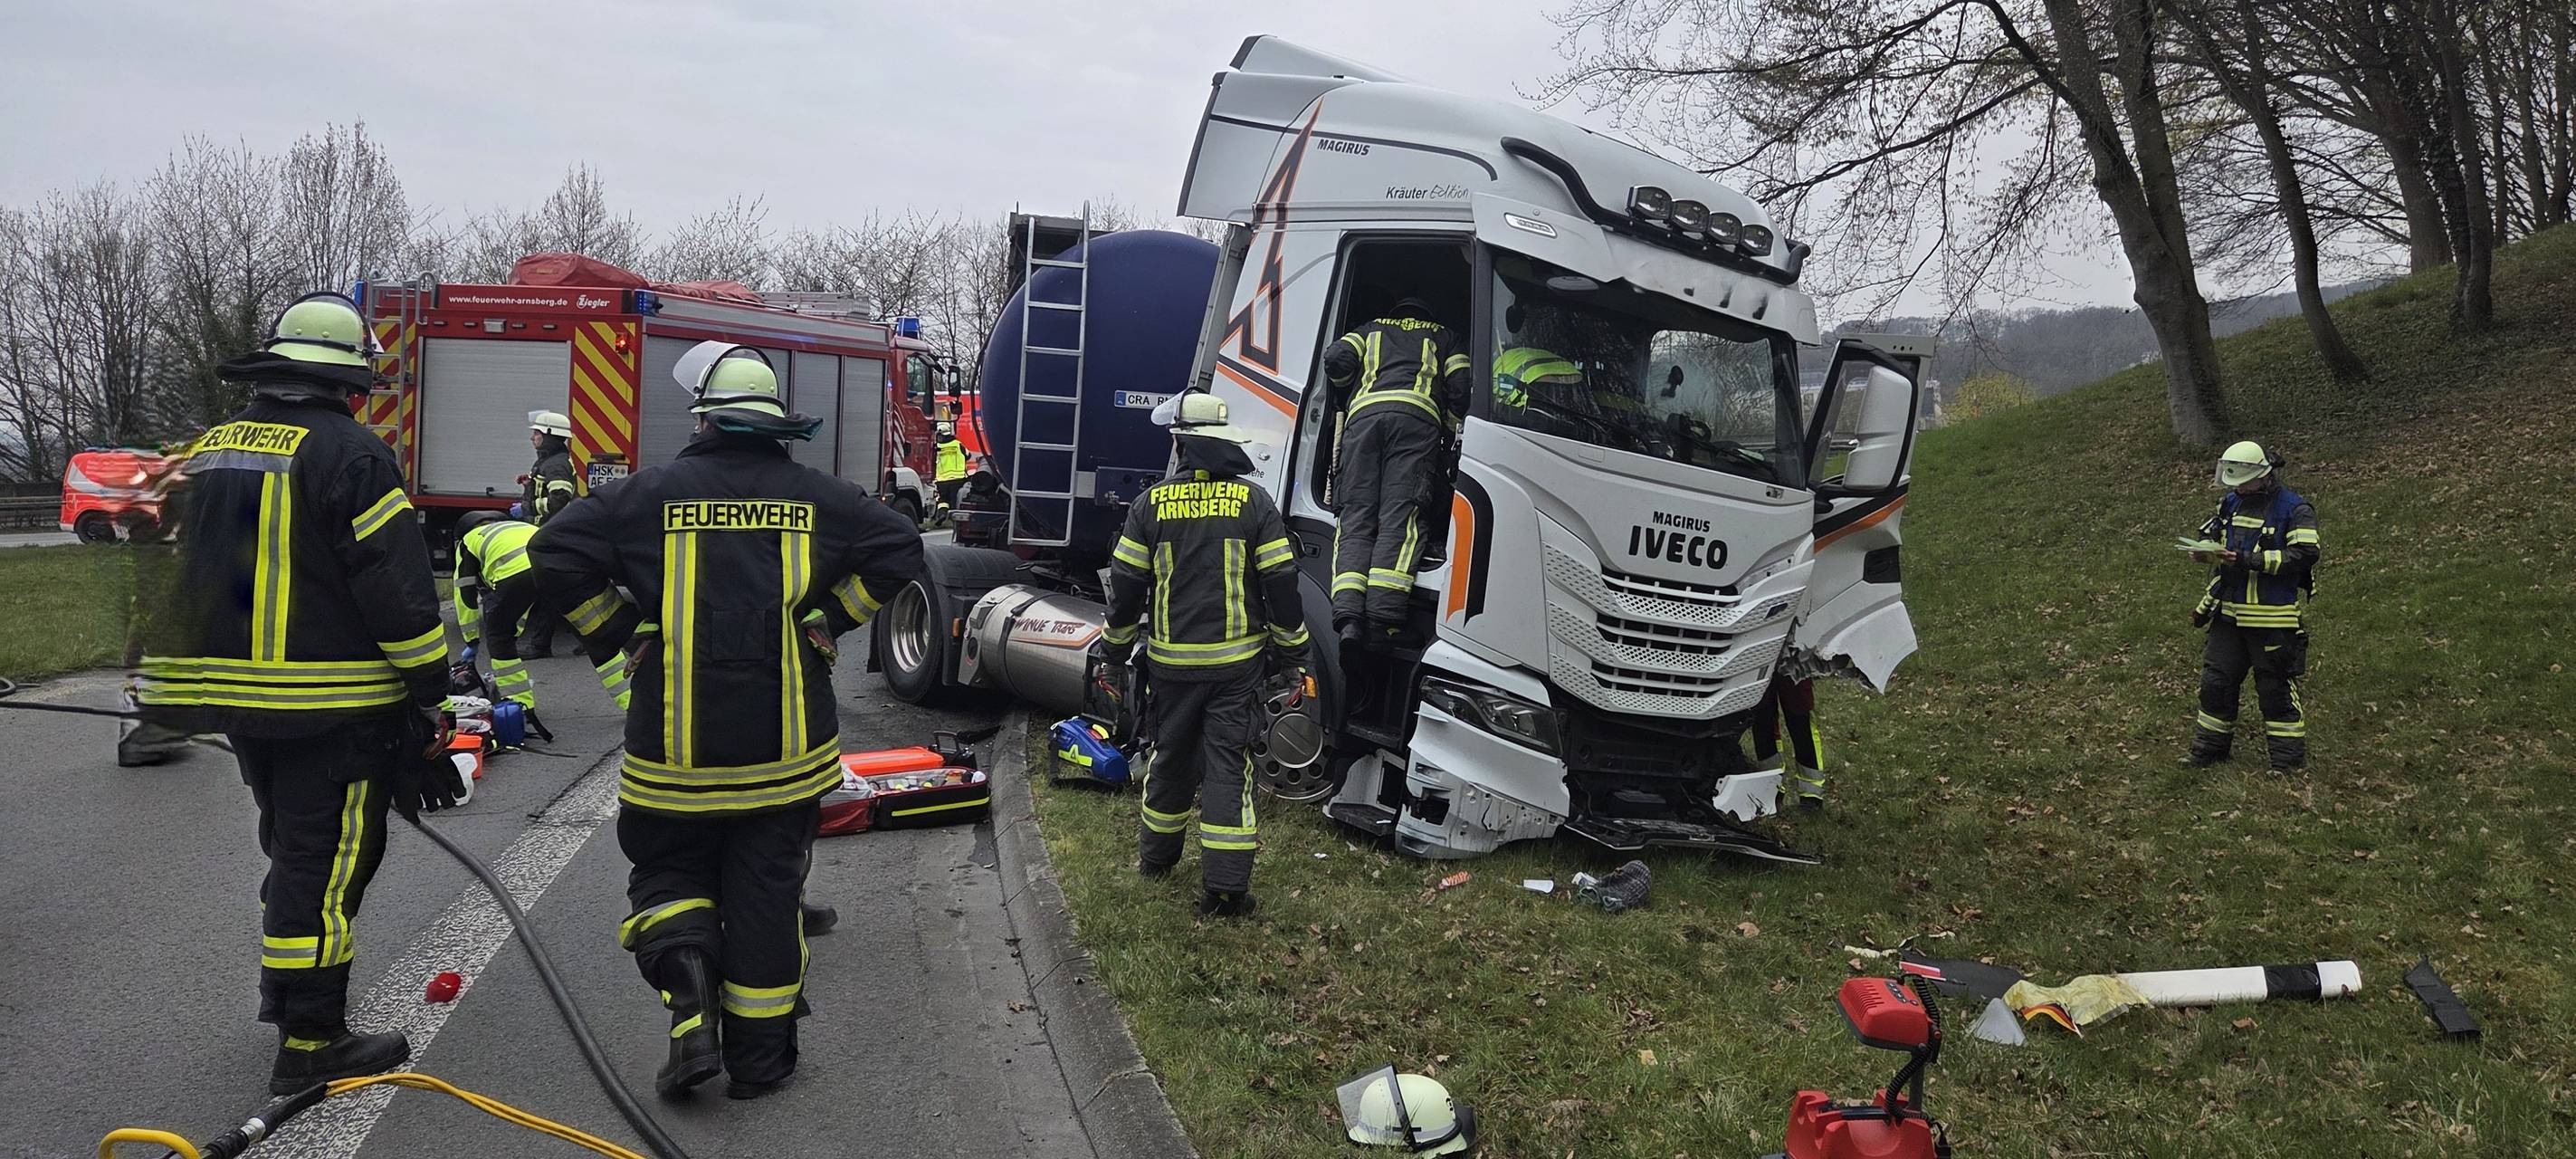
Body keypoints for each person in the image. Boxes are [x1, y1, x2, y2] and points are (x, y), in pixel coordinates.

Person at [531, 342, 921, 1100]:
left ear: (705, 420)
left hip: (673, 751)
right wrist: (833, 617)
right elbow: (902, 547)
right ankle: (762, 1060)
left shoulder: (644, 497)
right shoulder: (825, 498)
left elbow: (552, 553)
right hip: (785, 754)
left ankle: (689, 1005)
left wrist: (619, 628)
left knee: (670, 870)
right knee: (769, 892)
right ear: (778, 426)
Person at [136, 292, 453, 1093]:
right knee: (330, 860)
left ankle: (289, 1001)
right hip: (331, 707)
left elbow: (174, 570)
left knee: (293, 848)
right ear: (346, 380)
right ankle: (313, 1041)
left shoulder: (211, 448)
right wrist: (431, 691)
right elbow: (395, 588)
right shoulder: (350, 452)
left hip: (239, 704)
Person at [1101, 393, 1311, 917]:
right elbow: (1282, 584)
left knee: (1169, 755)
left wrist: (1114, 648)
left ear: (1180, 443)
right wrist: (1293, 651)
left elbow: (1126, 589)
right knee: (1226, 767)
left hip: (1171, 666)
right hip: (1237, 669)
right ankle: (1224, 889)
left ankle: (1155, 859)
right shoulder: (1255, 504)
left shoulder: (1149, 505)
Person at [1321, 297, 1474, 650]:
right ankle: (1382, 622)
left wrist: (1348, 388)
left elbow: (1335, 360)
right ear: (1426, 317)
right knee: (1400, 517)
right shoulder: (1445, 336)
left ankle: (1347, 621)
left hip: (1362, 422)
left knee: (1357, 516)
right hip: (1415, 423)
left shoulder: (1369, 329)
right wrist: (1449, 428)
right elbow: (1461, 387)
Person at [2185, 440, 2319, 772]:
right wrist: (2204, 550)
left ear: (2264, 475)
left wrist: (2249, 560)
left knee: (2274, 688)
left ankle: (2287, 763)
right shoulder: (2230, 502)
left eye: (2244, 482)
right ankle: (2209, 751)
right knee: (2216, 683)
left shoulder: (2295, 509)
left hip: (2272, 618)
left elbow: (2304, 554)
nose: (2238, 489)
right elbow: (2211, 532)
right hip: (2228, 614)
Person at [517, 410, 580, 657]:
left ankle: (540, 645)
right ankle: (588, 639)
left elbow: (560, 498)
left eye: (537, 433)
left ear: (550, 436)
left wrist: (530, 506)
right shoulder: (550, 461)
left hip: (552, 534)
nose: (533, 438)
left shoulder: (555, 464)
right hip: (552, 533)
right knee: (561, 591)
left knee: (550, 591)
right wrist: (529, 484)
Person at [1751, 674, 1827, 809]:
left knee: (1801, 722)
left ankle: (1811, 794)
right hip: (1758, 661)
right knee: (1763, 721)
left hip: (1793, 661)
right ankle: (1771, 789)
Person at [933, 421, 968, 517]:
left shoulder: (936, 447)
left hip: (941, 480)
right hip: (958, 479)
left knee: (943, 500)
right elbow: (968, 455)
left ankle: (942, 515)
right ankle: (955, 519)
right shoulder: (958, 444)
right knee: (956, 500)